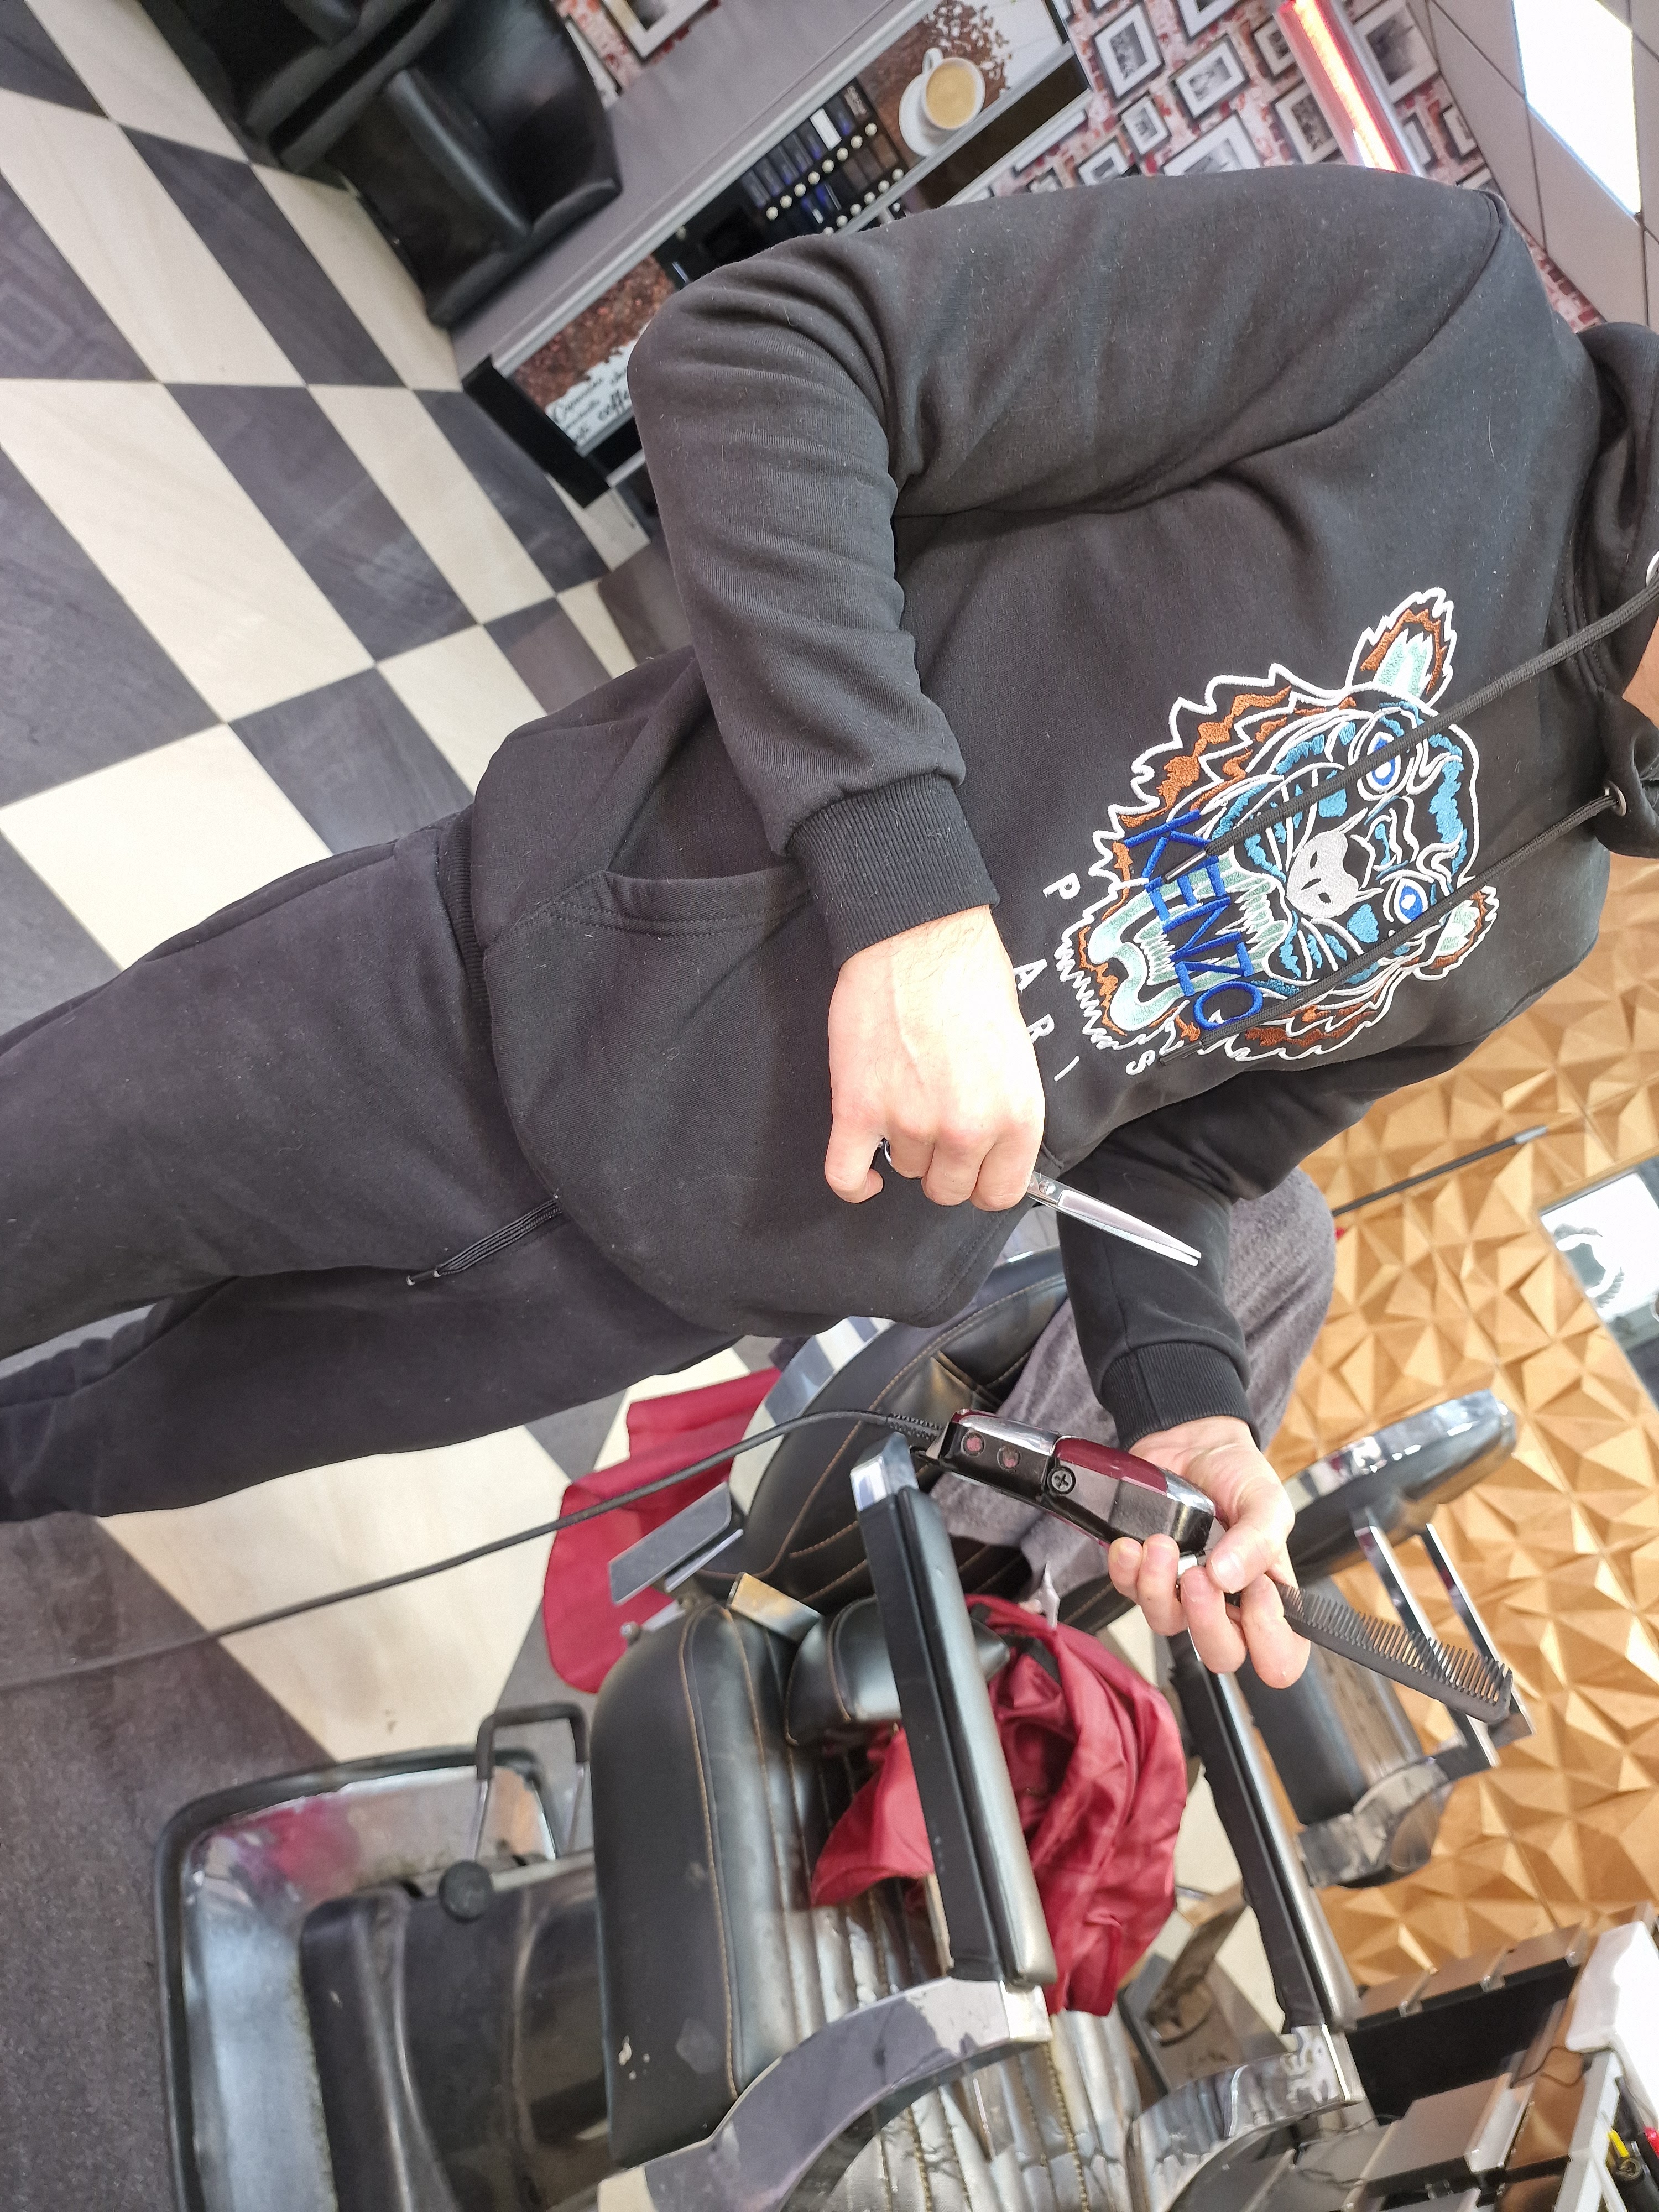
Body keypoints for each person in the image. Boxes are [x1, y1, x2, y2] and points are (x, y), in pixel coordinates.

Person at [4, 171, 1658, 1693]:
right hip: (491, 997)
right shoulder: (1431, 324)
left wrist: (1188, 1406)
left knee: (94, 1449)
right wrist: (908, 891)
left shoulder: (1547, 911)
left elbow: (1176, 1164)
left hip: (655, 1287)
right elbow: (770, 354)